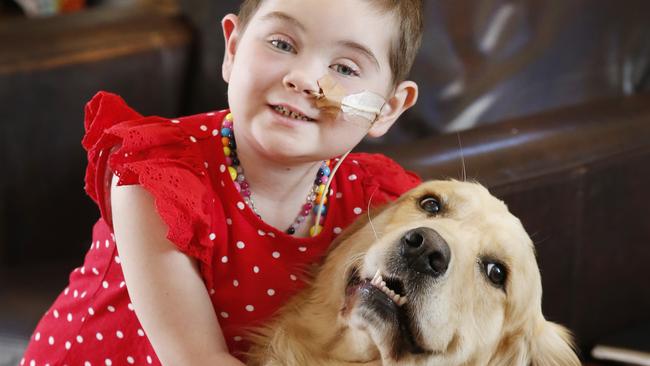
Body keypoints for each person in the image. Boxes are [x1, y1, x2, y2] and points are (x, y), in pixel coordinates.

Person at [21, 0, 424, 364]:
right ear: (232, 49)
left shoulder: (378, 205)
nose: (304, 79)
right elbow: (198, 359)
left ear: (386, 109)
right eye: (282, 44)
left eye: (344, 68)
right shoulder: (158, 176)